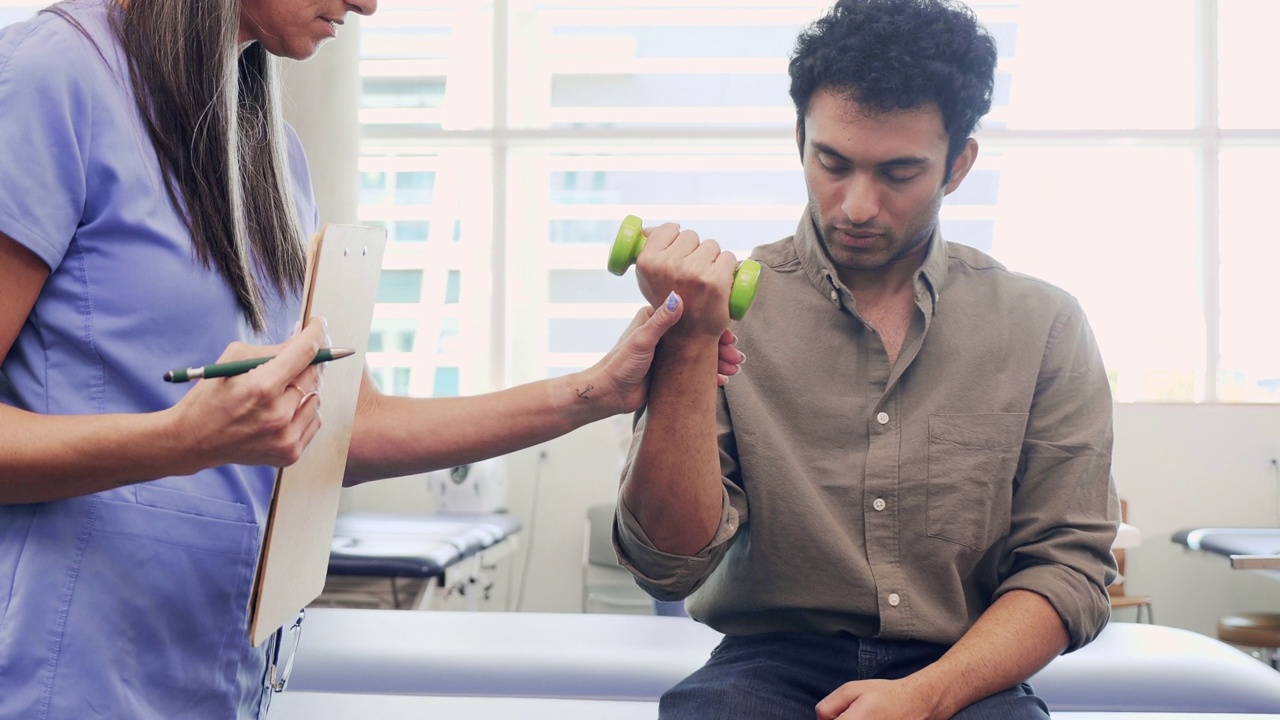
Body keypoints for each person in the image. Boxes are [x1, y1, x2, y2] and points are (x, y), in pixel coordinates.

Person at [0, 0, 744, 718]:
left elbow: (344, 430)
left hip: (208, 672)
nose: (368, 4)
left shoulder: (269, 151)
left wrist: (594, 391)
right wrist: (180, 440)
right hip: (62, 665)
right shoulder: (54, 77)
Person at [614, 1, 1119, 718]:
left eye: (898, 172)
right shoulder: (714, 311)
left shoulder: (1043, 325)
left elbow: (1067, 567)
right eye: (833, 163)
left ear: (958, 165)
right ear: (800, 140)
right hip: (767, 662)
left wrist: (925, 695)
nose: (855, 205)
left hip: (963, 667)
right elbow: (666, 564)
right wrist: (691, 351)